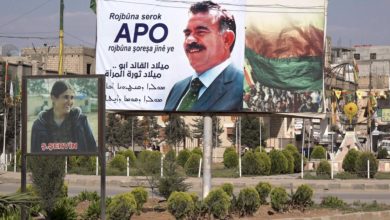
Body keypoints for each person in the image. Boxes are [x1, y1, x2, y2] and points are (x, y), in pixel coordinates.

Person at [164, 1, 243, 112]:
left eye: (200, 32)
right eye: (187, 33)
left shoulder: (240, 87)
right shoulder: (178, 88)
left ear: (227, 39)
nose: (189, 40)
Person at [30, 80, 97, 153]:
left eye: (72, 98)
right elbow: (34, 156)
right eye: (65, 97)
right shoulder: (39, 125)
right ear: (53, 98)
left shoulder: (81, 121)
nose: (70, 101)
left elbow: (92, 149)